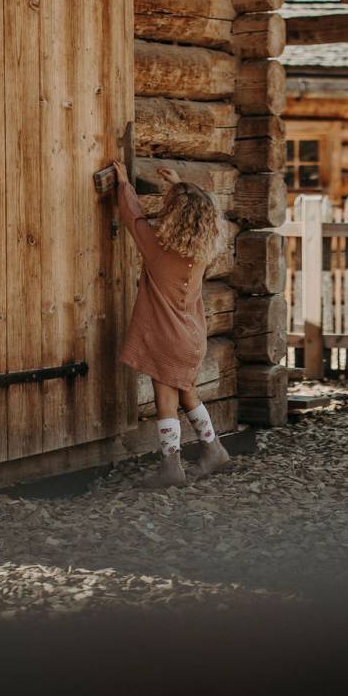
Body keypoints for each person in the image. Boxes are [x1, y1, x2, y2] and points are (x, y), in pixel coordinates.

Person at [109, 160, 230, 487]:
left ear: (173, 218)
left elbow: (133, 216)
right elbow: (199, 204)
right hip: (193, 339)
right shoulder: (203, 253)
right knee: (188, 394)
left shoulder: (157, 249)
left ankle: (171, 467)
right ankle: (214, 449)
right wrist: (178, 184)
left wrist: (123, 184)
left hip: (166, 340)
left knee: (166, 401)